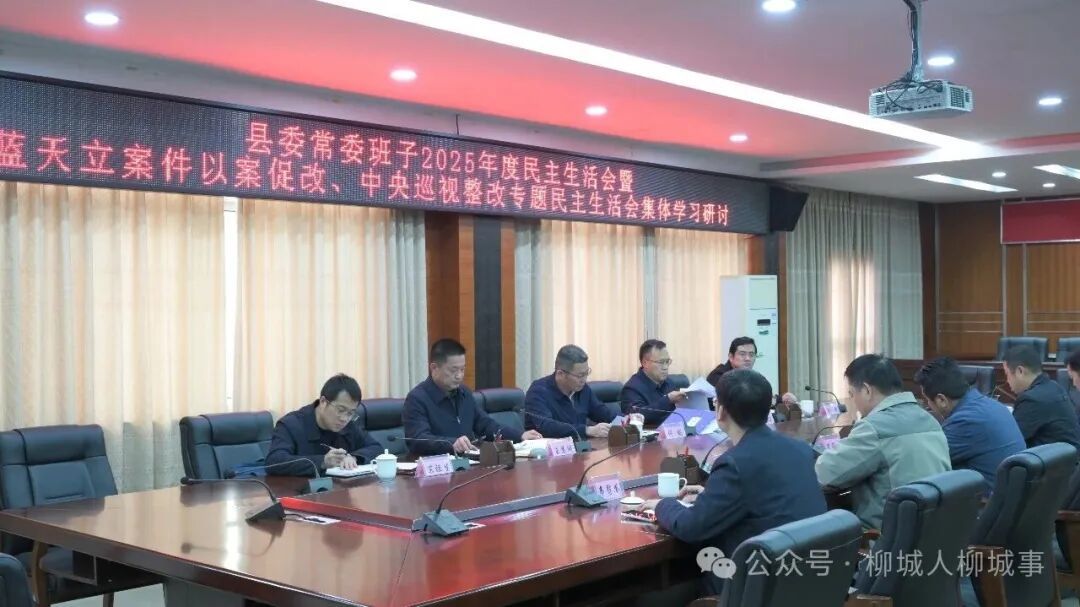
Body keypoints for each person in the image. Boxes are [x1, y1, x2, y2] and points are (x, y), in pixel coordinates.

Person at [638, 369, 826, 596]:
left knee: (653, 596)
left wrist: (662, 504)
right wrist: (711, 495)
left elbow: (692, 527)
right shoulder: (800, 449)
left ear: (720, 411)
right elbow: (762, 495)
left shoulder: (735, 463)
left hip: (755, 588)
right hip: (803, 582)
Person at [816, 354, 951, 530]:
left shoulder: (874, 428)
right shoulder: (930, 419)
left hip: (885, 537)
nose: (853, 401)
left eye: (852, 394)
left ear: (866, 390)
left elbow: (824, 475)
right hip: (932, 532)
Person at [404, 338, 541, 456]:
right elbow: (417, 440)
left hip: (468, 463)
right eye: (453, 370)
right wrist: (451, 443)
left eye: (462, 369)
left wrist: (520, 436)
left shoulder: (464, 393)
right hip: (436, 467)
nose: (459, 376)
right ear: (434, 368)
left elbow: (486, 425)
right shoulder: (417, 399)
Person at [914, 357, 1025, 492]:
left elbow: (926, 461)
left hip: (988, 502)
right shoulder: (990, 404)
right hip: (1015, 495)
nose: (928, 406)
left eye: (927, 400)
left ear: (941, 400)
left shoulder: (964, 421)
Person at [264, 373, 384, 476]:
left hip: (340, 490)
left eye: (350, 413)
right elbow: (274, 461)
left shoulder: (348, 424)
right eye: (340, 410)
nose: (344, 419)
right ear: (323, 402)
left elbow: (376, 448)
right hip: (300, 491)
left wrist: (354, 457)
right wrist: (322, 461)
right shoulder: (291, 424)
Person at [524, 344, 615, 439]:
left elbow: (604, 413)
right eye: (580, 375)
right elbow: (547, 427)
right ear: (560, 374)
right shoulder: (538, 391)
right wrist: (587, 430)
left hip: (581, 446)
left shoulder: (582, 389)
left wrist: (623, 421)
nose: (584, 379)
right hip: (550, 447)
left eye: (586, 373)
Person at [1004, 345, 1080, 449]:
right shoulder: (1054, 386)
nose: (1007, 380)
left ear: (1020, 371)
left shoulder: (1032, 399)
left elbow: (1007, 441)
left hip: (1056, 458)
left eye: (1007, 374)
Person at [706, 337, 797, 407]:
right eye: (742, 354)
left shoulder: (755, 377)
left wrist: (782, 399)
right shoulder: (718, 375)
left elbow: (765, 395)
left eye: (751, 354)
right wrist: (774, 401)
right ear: (731, 357)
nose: (748, 359)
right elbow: (742, 399)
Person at [619, 339, 687, 425]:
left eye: (667, 362)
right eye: (661, 362)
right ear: (645, 363)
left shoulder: (668, 383)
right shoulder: (631, 389)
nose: (665, 367)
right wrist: (667, 400)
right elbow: (636, 418)